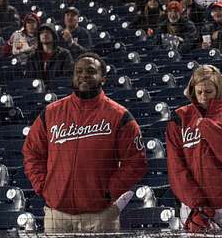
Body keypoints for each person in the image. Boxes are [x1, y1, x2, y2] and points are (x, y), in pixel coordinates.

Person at [23, 52, 148, 233]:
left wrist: (109, 191)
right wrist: (44, 186)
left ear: (103, 78)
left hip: (100, 216)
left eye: (91, 71)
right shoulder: (51, 113)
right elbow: (32, 152)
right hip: (57, 215)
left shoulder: (119, 116)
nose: (83, 75)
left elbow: (136, 162)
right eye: (79, 71)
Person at [166, 65, 222, 232]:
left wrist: (208, 127)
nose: (203, 97)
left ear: (218, 90)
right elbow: (176, 167)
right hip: (193, 206)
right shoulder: (179, 118)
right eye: (199, 92)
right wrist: (198, 204)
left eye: (208, 92)